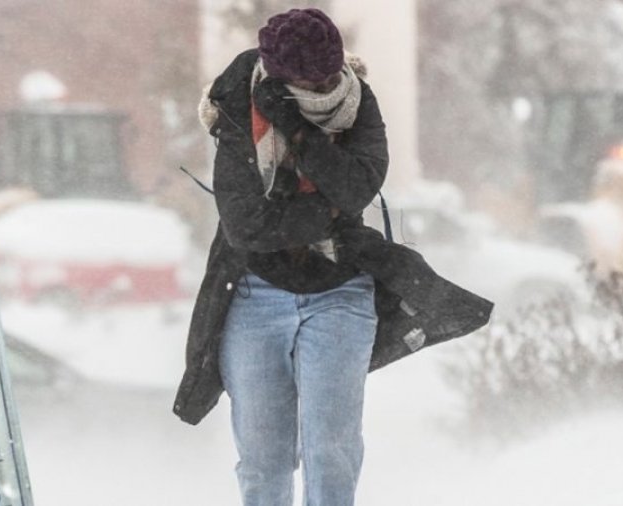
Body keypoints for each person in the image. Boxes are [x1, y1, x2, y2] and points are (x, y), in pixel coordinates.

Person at [173, 8, 493, 506]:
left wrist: (299, 135)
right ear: (278, 74)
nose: (322, 87)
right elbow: (246, 225)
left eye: (327, 74)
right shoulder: (238, 103)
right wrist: (329, 213)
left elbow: (358, 185)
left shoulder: (358, 103)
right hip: (254, 295)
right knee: (263, 460)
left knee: (331, 452)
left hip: (341, 295)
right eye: (307, 79)